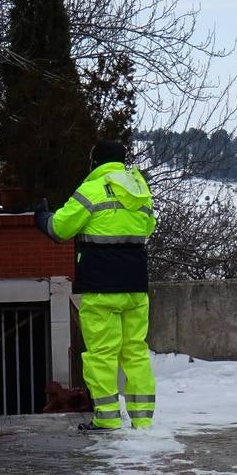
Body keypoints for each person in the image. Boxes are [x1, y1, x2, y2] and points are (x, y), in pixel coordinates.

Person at [36, 140, 156, 432]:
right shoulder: (141, 192)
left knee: (102, 354)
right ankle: (142, 421)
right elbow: (148, 228)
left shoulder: (92, 190)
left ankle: (107, 418)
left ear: (95, 162)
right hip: (136, 287)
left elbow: (60, 229)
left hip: (101, 286)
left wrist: (42, 217)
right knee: (135, 353)